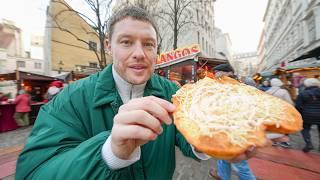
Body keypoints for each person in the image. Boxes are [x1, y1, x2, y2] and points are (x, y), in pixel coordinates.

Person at [16, 6, 255, 179]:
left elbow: (188, 136)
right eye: (127, 42)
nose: (139, 53)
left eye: (148, 44)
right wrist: (110, 152)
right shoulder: (69, 100)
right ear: (109, 46)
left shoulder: (174, 92)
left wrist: (216, 142)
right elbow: (33, 172)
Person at [209, 64, 257, 180]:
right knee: (223, 159)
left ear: (228, 73)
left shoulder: (235, 87)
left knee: (240, 165)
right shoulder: (224, 86)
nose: (216, 75)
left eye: (218, 72)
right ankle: (222, 176)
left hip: (236, 132)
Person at [295, 78, 320, 152]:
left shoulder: (303, 93)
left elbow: (298, 106)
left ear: (306, 84)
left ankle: (308, 143)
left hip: (307, 115)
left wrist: (299, 114)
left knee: (305, 129)